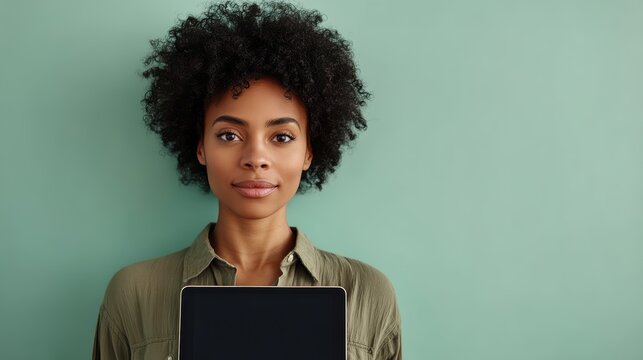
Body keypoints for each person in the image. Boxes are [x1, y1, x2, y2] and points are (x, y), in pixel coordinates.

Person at [92, 2, 401, 359]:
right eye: (229, 135)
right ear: (201, 148)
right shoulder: (133, 294)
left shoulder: (368, 294)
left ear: (309, 153)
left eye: (282, 136)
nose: (256, 158)